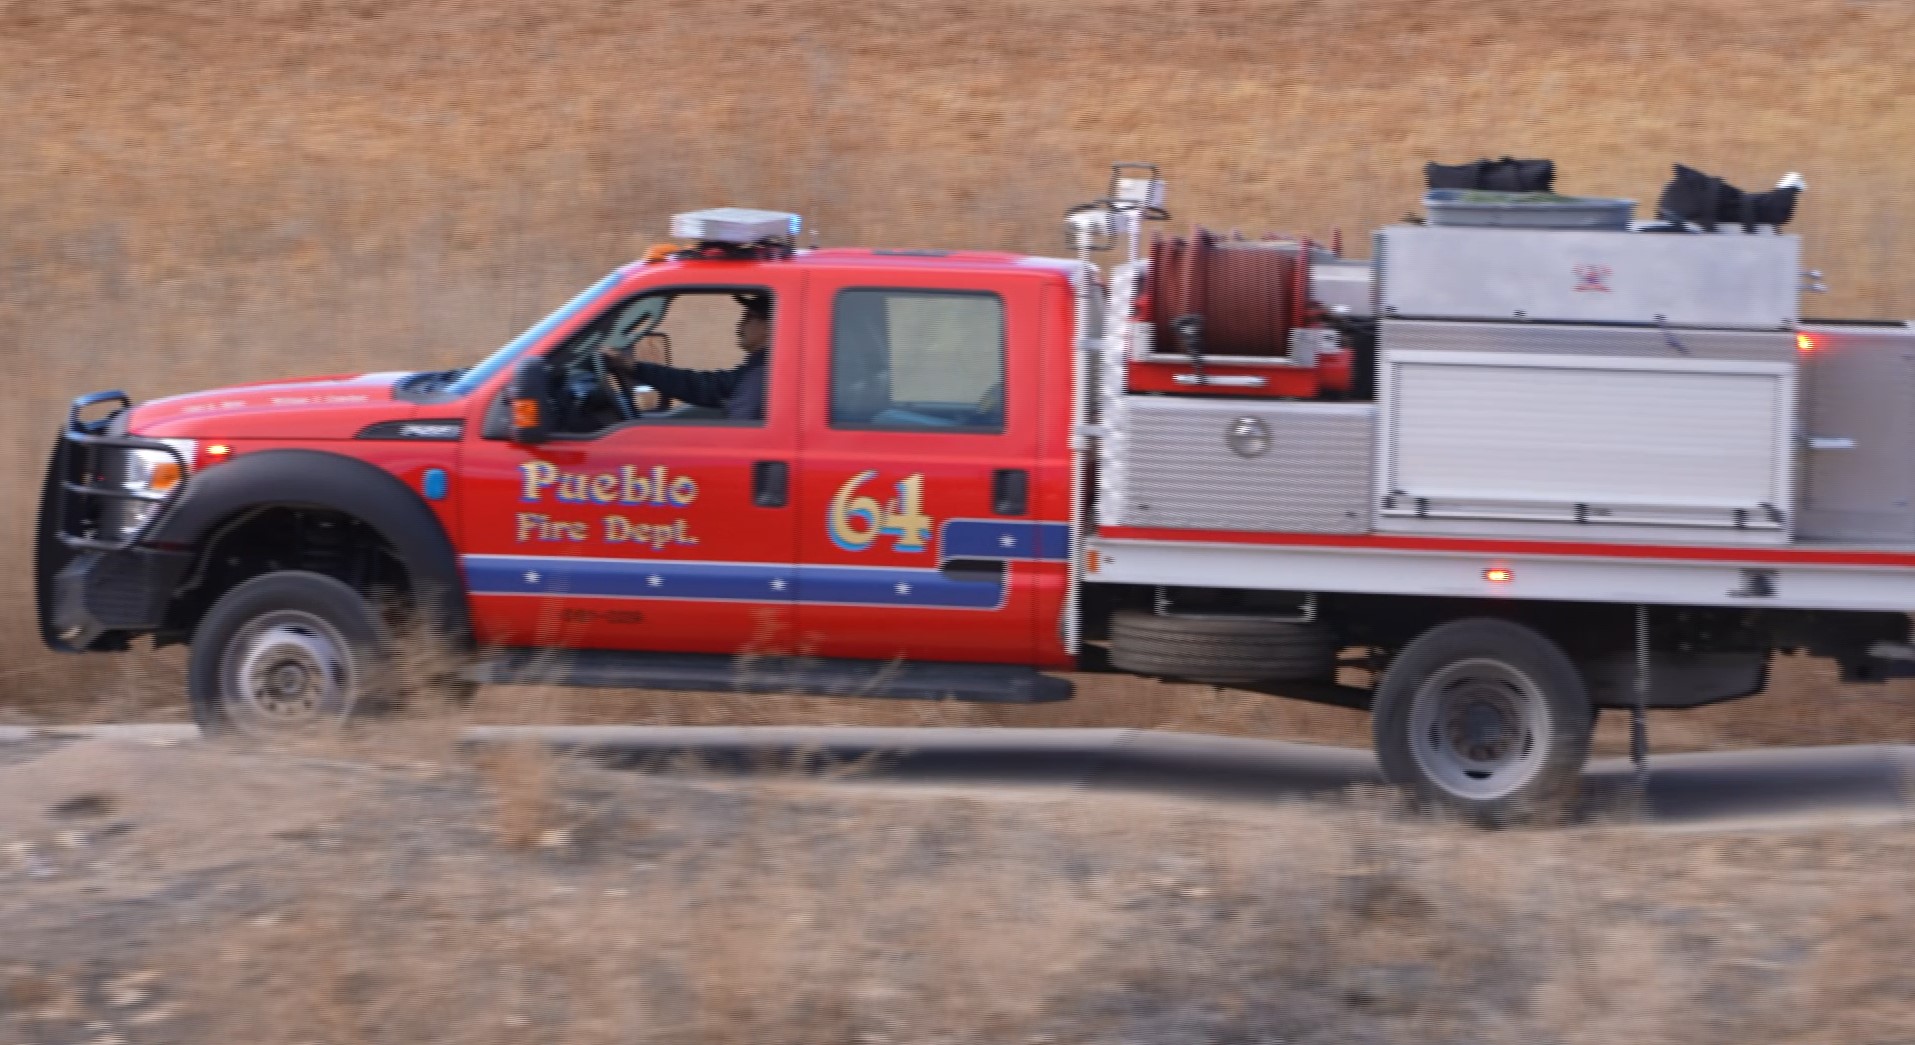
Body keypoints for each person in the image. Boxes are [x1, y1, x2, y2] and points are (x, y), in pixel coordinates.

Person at [609, 294, 771, 421]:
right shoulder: (759, 370)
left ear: (771, 326)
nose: (740, 323)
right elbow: (706, 386)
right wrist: (635, 367)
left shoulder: (764, 374)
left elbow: (742, 435)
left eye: (749, 317)